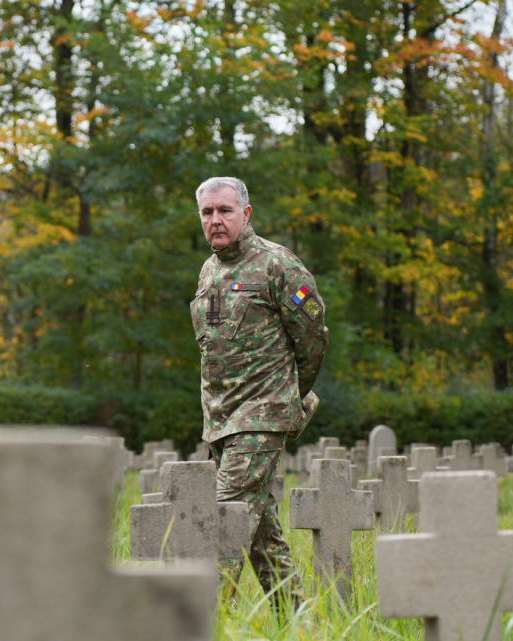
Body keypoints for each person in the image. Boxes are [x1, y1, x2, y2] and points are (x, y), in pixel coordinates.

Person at [190, 176, 329, 610]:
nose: (216, 220)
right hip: (220, 421)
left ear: (245, 214)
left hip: (261, 417)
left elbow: (313, 339)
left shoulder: (278, 264)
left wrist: (289, 398)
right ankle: (298, 620)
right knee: (262, 537)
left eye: (225, 211)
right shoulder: (210, 269)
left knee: (223, 522)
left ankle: (203, 623)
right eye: (208, 212)